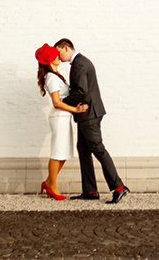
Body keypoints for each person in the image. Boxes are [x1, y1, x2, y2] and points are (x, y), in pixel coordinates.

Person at [54, 38, 130, 204]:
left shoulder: (79, 64)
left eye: (59, 53)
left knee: (97, 148)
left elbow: (81, 90)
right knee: (83, 149)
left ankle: (118, 187)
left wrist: (62, 103)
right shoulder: (81, 62)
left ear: (66, 48)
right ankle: (90, 190)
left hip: (89, 114)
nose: (59, 58)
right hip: (87, 114)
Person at [35, 43, 88, 200]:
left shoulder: (55, 75)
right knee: (57, 152)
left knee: (63, 153)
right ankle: (52, 187)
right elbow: (57, 102)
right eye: (55, 55)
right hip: (59, 118)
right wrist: (75, 110)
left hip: (64, 118)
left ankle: (48, 182)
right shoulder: (51, 77)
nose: (59, 56)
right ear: (51, 59)